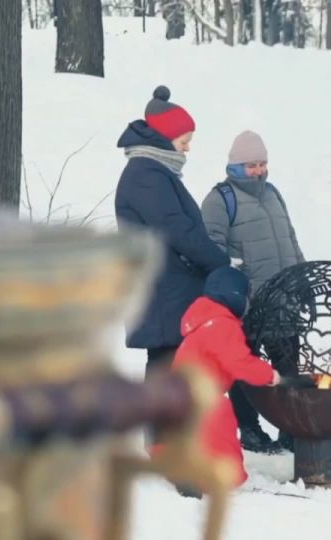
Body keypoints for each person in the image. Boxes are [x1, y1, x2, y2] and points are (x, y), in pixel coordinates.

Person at [115, 85, 230, 380]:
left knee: (172, 373)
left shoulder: (153, 173)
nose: (188, 147)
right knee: (166, 372)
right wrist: (219, 261)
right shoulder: (147, 175)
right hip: (163, 294)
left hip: (168, 290)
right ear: (166, 138)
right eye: (184, 140)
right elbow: (177, 229)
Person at [167, 267, 316, 495]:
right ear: (235, 295)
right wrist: (269, 375)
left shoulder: (205, 320)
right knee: (220, 438)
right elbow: (239, 361)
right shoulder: (221, 324)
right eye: (246, 295)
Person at [201, 130, 305, 454]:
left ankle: (290, 428)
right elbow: (210, 251)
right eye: (252, 165)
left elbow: (289, 237)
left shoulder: (273, 193)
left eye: (262, 164)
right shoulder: (220, 200)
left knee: (288, 366)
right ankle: (249, 428)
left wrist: (303, 277)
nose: (259, 170)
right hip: (245, 305)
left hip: (282, 298)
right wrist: (233, 290)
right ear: (235, 166)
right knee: (242, 368)